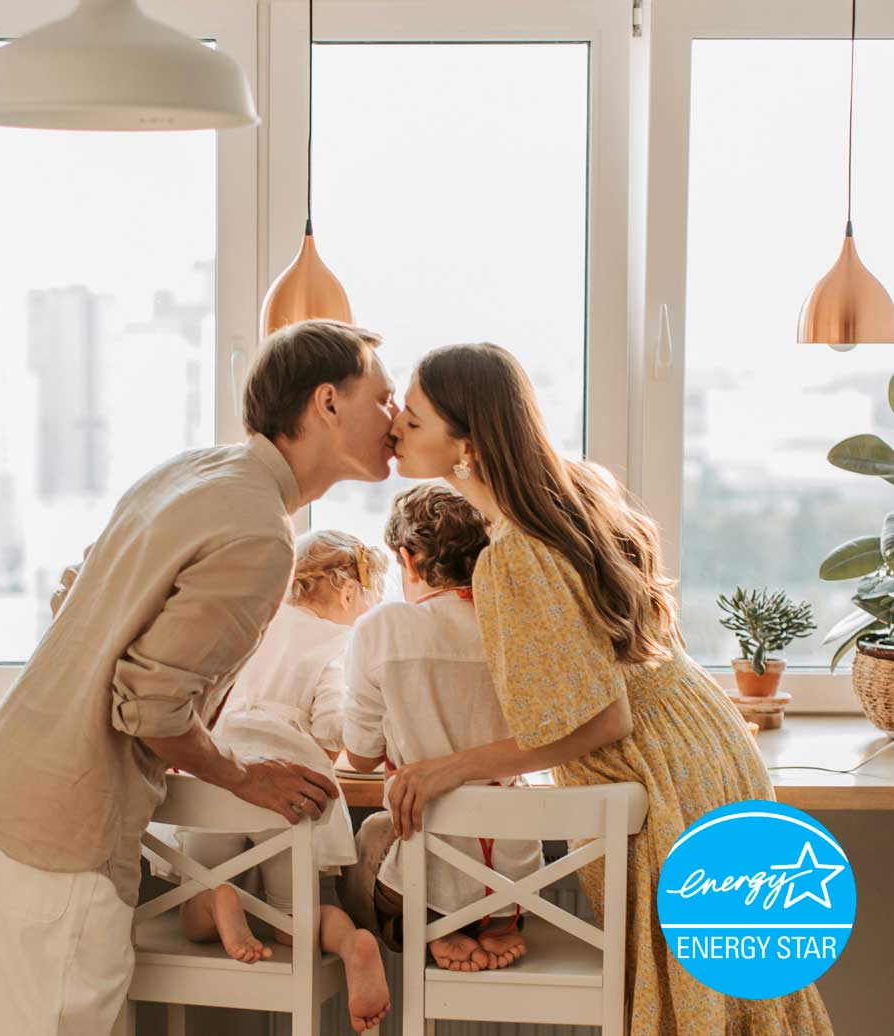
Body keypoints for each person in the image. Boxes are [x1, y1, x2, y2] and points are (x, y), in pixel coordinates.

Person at [0, 319, 399, 1036]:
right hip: (63, 820)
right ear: (327, 403)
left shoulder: (195, 470)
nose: (396, 418)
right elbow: (152, 709)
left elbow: (75, 590)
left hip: (10, 781)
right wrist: (241, 775)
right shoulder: (258, 530)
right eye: (384, 397)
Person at [383, 343, 835, 1035]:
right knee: (742, 996)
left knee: (697, 1003)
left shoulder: (513, 557)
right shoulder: (569, 499)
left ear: (465, 445)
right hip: (704, 745)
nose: (395, 430)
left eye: (412, 422)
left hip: (655, 774)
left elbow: (601, 723)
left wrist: (448, 768)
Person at [174, 530, 391, 1033]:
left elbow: (207, 695)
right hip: (288, 786)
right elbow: (337, 729)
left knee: (189, 914)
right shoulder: (344, 643)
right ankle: (351, 941)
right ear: (346, 593)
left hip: (219, 769)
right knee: (297, 920)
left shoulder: (254, 626)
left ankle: (217, 897)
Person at [338, 483, 543, 972]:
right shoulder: (519, 628)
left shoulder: (382, 628)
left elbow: (362, 756)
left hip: (424, 876)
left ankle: (436, 919)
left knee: (361, 848)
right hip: (517, 877)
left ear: (408, 560)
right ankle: (498, 918)